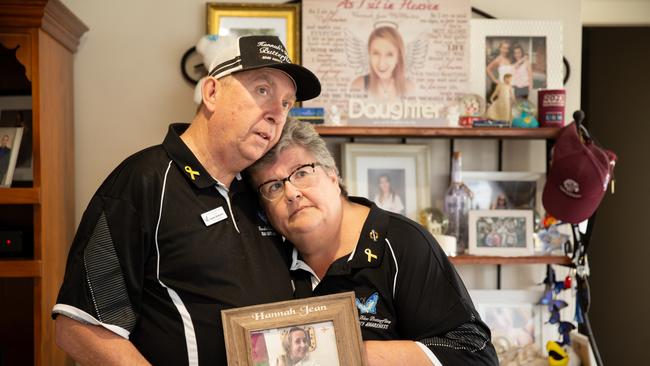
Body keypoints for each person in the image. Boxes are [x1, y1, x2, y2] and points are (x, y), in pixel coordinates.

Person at [51, 35, 321, 365]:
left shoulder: (265, 192)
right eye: (262, 90)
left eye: (286, 103)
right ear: (211, 93)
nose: (276, 114)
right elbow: (79, 326)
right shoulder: (143, 182)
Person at [246, 119, 499, 365]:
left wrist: (353, 354)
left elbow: (475, 353)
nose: (292, 193)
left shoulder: (403, 242)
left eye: (302, 173)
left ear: (333, 176)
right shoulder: (268, 258)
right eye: (274, 187)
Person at [350, 26, 414, 100]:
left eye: (389, 54)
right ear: (369, 54)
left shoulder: (409, 88)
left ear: (398, 57)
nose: (381, 63)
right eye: (376, 53)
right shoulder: (358, 85)